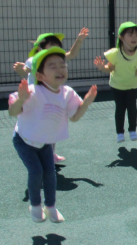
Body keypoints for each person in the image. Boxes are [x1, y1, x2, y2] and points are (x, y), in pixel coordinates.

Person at [9, 47, 97, 223]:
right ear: (40, 76)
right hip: (24, 140)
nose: (60, 69)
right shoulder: (33, 91)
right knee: (36, 171)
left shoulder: (67, 93)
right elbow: (13, 112)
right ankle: (35, 206)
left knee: (50, 173)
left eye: (62, 65)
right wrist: (20, 98)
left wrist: (85, 103)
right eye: (52, 66)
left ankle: (50, 207)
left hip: (45, 143)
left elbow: (75, 118)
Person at [13, 28, 89, 162]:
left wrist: (79, 40)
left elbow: (72, 53)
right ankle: (34, 151)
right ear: (39, 50)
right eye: (50, 48)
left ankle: (51, 154)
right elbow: (25, 71)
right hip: (36, 100)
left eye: (57, 47)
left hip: (52, 98)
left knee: (53, 124)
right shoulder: (33, 60)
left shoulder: (57, 59)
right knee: (39, 126)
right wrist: (20, 69)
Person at [93, 21, 137, 143]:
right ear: (121, 37)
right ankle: (120, 133)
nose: (134, 37)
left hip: (132, 86)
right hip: (117, 86)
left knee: (132, 107)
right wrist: (101, 67)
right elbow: (110, 68)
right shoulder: (115, 53)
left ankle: (132, 130)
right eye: (130, 34)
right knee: (120, 108)